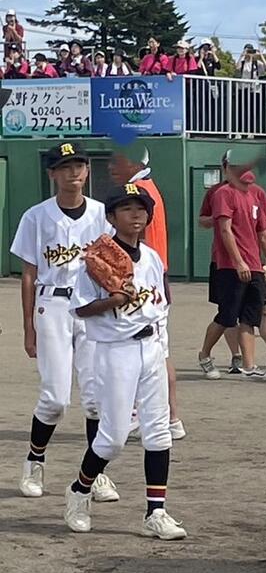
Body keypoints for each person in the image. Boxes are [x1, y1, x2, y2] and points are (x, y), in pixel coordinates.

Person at [65, 183, 186, 538]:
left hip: (151, 347)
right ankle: (79, 490)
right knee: (113, 438)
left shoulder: (152, 258)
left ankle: (156, 512)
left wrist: (163, 349)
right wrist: (112, 301)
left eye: (141, 208)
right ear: (111, 217)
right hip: (115, 350)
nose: (136, 215)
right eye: (126, 208)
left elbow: (161, 304)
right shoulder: (96, 259)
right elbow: (80, 309)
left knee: (159, 432)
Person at [10, 142, 118, 502]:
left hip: (92, 306)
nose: (74, 172)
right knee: (55, 399)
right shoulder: (36, 216)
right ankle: (34, 461)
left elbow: (115, 266)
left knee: (96, 397)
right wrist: (28, 327)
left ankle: (95, 473)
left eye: (79, 165)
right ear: (52, 174)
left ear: (87, 171)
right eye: (65, 166)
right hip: (52, 305)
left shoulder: (102, 215)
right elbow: (28, 274)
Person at [108, 152, 186, 440]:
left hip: (142, 278)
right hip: (152, 276)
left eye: (118, 163)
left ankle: (140, 415)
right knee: (158, 352)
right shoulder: (149, 188)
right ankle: (171, 418)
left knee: (143, 351)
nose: (112, 168)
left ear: (136, 164)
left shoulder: (139, 191)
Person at [198, 152, 266, 377]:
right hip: (228, 264)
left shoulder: (257, 193)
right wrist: (239, 262)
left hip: (254, 264)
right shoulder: (221, 193)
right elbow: (224, 229)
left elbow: (264, 231)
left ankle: (250, 366)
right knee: (227, 315)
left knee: (251, 316)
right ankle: (205, 354)